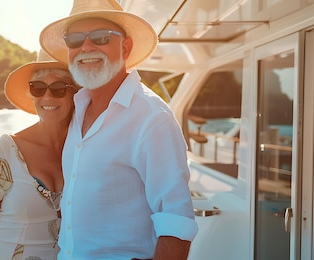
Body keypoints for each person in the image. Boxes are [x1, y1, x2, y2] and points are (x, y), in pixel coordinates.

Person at [38, 0, 198, 259]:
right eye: (75, 39)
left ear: (125, 47)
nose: (86, 47)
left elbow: (175, 221)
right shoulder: (76, 109)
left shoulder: (152, 118)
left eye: (101, 37)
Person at [0, 51, 79, 260]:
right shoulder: (8, 148)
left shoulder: (87, 149)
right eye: (38, 87)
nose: (47, 97)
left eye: (59, 88)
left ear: (75, 93)